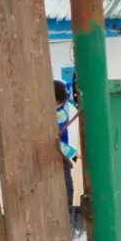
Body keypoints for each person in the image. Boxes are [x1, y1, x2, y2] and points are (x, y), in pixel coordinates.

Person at [54, 80, 77, 208]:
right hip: (59, 150)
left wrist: (72, 154)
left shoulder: (59, 116)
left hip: (61, 151)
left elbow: (57, 141)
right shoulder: (64, 94)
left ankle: (67, 207)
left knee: (65, 180)